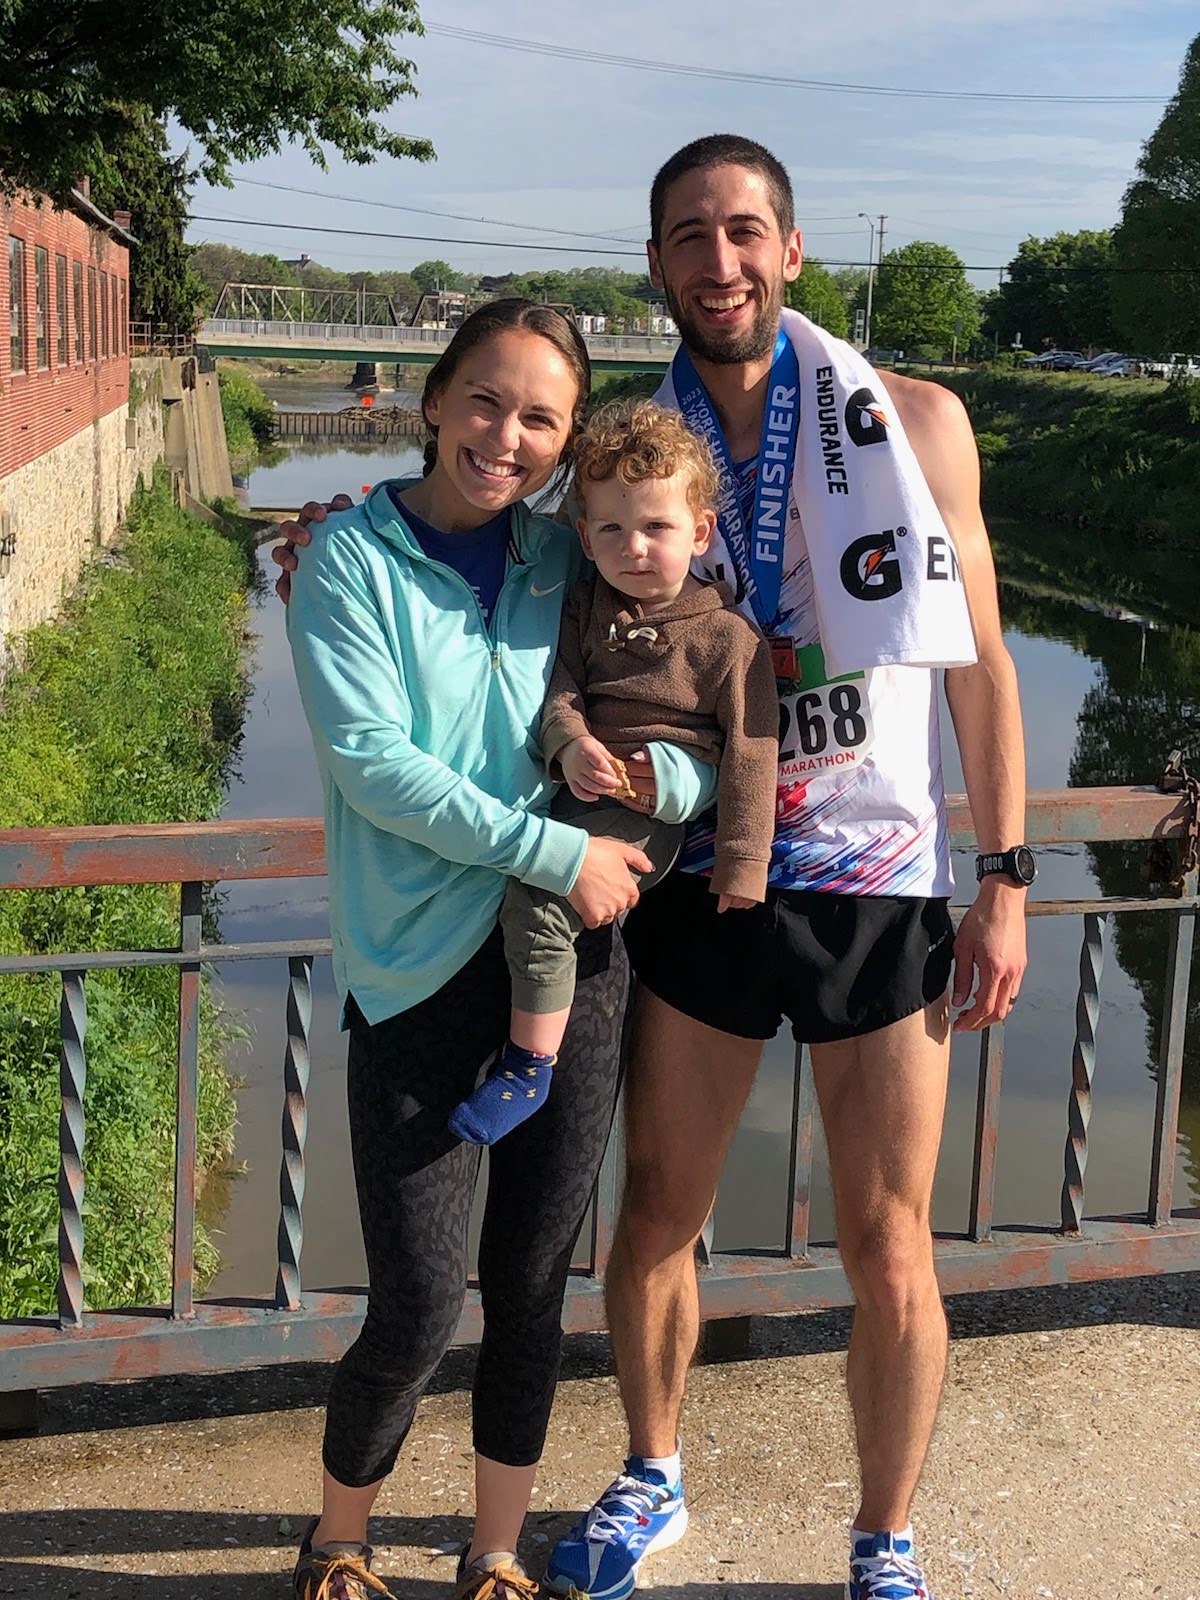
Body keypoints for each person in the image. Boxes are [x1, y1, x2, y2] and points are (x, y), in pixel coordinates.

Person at [275, 136, 1030, 1600]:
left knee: (889, 1243)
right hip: (687, 871)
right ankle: (651, 1473)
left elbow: (985, 665)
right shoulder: (627, 451)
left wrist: (1004, 876)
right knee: (658, 1214)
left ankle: (884, 1539)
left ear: (793, 250)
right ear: (657, 265)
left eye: (745, 231)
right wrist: (344, 515)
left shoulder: (918, 423)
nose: (720, 260)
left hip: (873, 867)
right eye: (689, 235)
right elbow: (489, 479)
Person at [283, 298, 715, 1600]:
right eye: (485, 401)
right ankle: (340, 1541)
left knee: (530, 1290)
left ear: (568, 439)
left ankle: (491, 1555)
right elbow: (375, 769)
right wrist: (556, 854)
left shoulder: (565, 550)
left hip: (576, 968)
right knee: (416, 1300)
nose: (506, 436)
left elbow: (687, 695)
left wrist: (675, 796)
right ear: (432, 398)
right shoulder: (348, 558)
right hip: (417, 964)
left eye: (540, 417)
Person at [448, 397, 778, 1147]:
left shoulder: (729, 640)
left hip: (647, 813)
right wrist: (567, 743)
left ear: (699, 532)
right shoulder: (587, 607)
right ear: (585, 538)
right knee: (510, 883)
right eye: (612, 530)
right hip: (580, 787)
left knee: (540, 901)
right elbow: (561, 686)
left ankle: (529, 1067)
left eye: (657, 528)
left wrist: (742, 864)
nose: (635, 547)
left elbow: (753, 749)